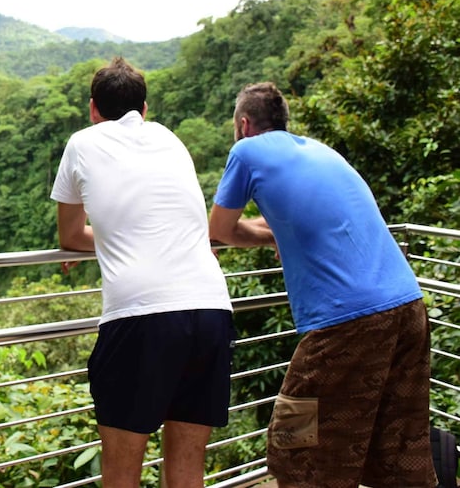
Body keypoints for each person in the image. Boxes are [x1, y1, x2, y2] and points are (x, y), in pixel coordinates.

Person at [208, 81, 436, 488]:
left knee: (294, 439)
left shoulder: (246, 151)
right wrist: (278, 231)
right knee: (399, 445)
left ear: (244, 124)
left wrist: (267, 236)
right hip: (409, 306)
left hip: (348, 320)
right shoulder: (320, 151)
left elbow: (221, 229)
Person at [50, 57, 234, 488]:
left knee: (121, 474)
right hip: (210, 310)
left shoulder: (81, 142)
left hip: (140, 317)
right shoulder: (170, 139)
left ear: (94, 109)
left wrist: (105, 241)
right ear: (145, 109)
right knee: (188, 473)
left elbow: (71, 235)